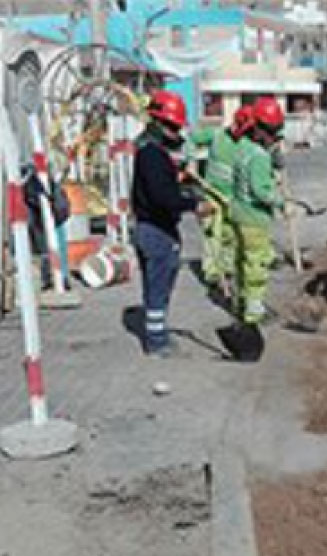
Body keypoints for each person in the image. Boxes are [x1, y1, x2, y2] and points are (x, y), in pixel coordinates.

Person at [132, 89, 208, 357]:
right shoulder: (152, 155)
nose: (177, 133)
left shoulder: (151, 151)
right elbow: (162, 197)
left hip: (153, 227)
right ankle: (156, 343)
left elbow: (163, 188)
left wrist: (181, 182)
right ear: (158, 122)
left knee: (158, 284)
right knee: (158, 285)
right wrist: (193, 205)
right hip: (155, 230)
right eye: (174, 127)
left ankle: (157, 333)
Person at [187, 105, 255, 299]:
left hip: (233, 198)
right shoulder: (216, 135)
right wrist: (191, 162)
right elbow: (190, 140)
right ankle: (212, 274)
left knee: (230, 235)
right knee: (211, 234)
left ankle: (227, 270)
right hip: (212, 194)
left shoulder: (247, 145)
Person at [230, 95, 286, 326]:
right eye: (273, 133)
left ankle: (242, 302)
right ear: (262, 130)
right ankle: (254, 312)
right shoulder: (260, 156)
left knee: (242, 261)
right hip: (254, 219)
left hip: (238, 214)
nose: (275, 138)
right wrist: (281, 201)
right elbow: (261, 191)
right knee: (256, 265)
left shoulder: (242, 148)